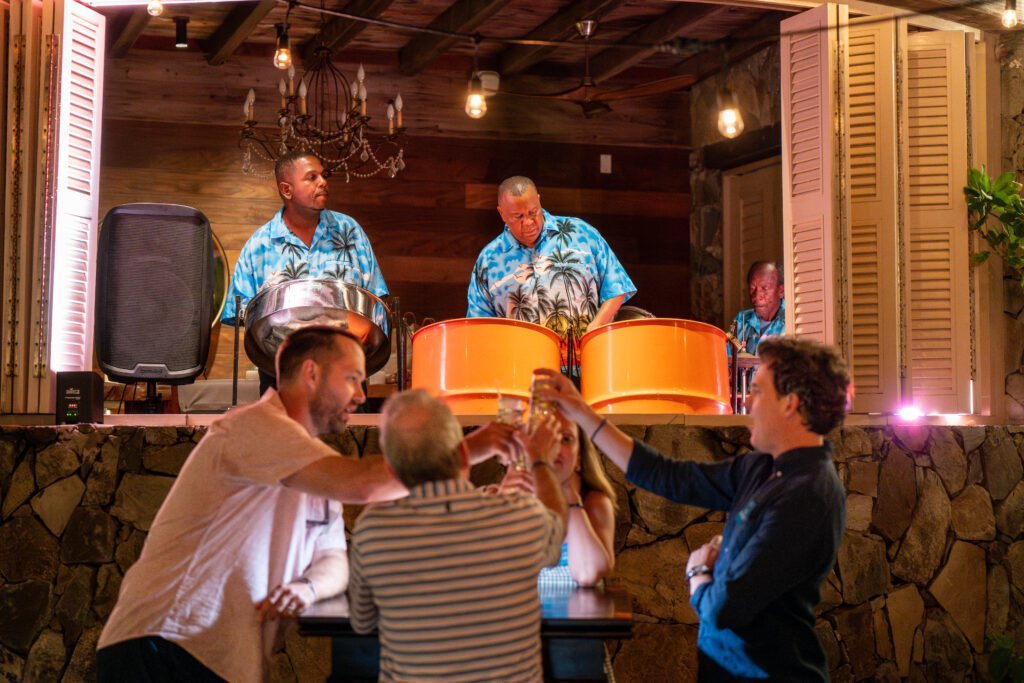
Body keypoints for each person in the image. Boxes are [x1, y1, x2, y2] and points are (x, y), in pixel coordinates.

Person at [95, 327, 516, 682]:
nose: (362, 394)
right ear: (311, 373)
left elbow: (335, 559)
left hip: (211, 661)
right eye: (352, 378)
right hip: (163, 648)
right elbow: (367, 484)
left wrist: (307, 587)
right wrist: (470, 448)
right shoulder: (253, 427)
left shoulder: (311, 461)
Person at [533, 337, 850, 682]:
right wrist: (580, 411)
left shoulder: (808, 495)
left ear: (790, 404)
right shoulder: (761, 468)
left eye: (758, 391)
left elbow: (725, 607)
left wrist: (697, 574)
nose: (746, 400)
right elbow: (668, 476)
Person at [348, 389, 567, 682]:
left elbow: (363, 622)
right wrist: (540, 460)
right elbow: (557, 526)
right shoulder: (520, 515)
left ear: (391, 470)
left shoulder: (371, 532)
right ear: (465, 454)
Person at [222, 150, 389, 392]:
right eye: (311, 177)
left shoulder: (350, 232)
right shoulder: (260, 245)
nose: (323, 182)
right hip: (283, 379)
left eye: (323, 175)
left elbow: (375, 299)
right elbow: (240, 313)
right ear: (286, 190)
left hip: (344, 375)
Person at [466, 176, 636, 376]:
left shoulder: (580, 233)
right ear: (502, 214)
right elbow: (479, 326)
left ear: (539, 200)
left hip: (587, 367)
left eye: (533, 212)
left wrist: (596, 326)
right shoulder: (489, 259)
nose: (528, 222)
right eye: (518, 217)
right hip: (520, 374)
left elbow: (618, 287)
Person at [502, 410, 616, 588]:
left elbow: (588, 574)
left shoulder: (594, 502)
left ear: (579, 459)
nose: (553, 446)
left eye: (565, 439)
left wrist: (567, 493)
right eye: (543, 437)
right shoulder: (512, 499)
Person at [728, 261, 785, 355]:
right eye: (752, 288)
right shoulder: (741, 319)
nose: (757, 296)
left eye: (765, 288)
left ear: (781, 291)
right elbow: (727, 356)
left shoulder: (792, 321)